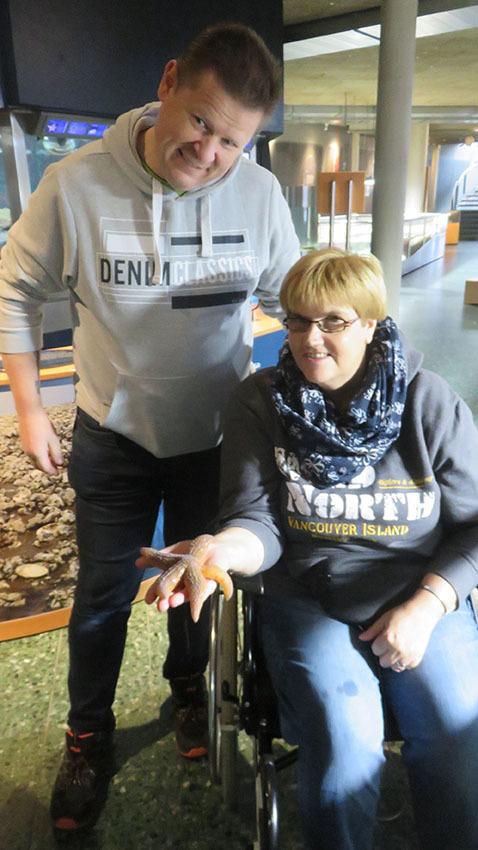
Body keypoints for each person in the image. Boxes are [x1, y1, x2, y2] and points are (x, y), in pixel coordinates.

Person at [0, 22, 300, 832]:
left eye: (233, 141)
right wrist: (29, 407)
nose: (209, 151)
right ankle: (86, 736)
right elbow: (15, 288)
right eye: (200, 122)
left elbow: (294, 299)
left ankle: (188, 691)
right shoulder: (75, 184)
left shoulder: (258, 195)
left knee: (199, 582)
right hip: (114, 437)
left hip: (216, 438)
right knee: (101, 596)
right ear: (168, 84)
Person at [141, 248, 478, 850]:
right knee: (344, 736)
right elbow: (258, 521)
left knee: (455, 728)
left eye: (333, 322)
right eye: (297, 321)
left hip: (420, 588)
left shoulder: (428, 402)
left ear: (371, 323)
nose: (308, 339)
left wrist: (427, 606)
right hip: (308, 595)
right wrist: (216, 551)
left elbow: (474, 524)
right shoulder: (260, 402)